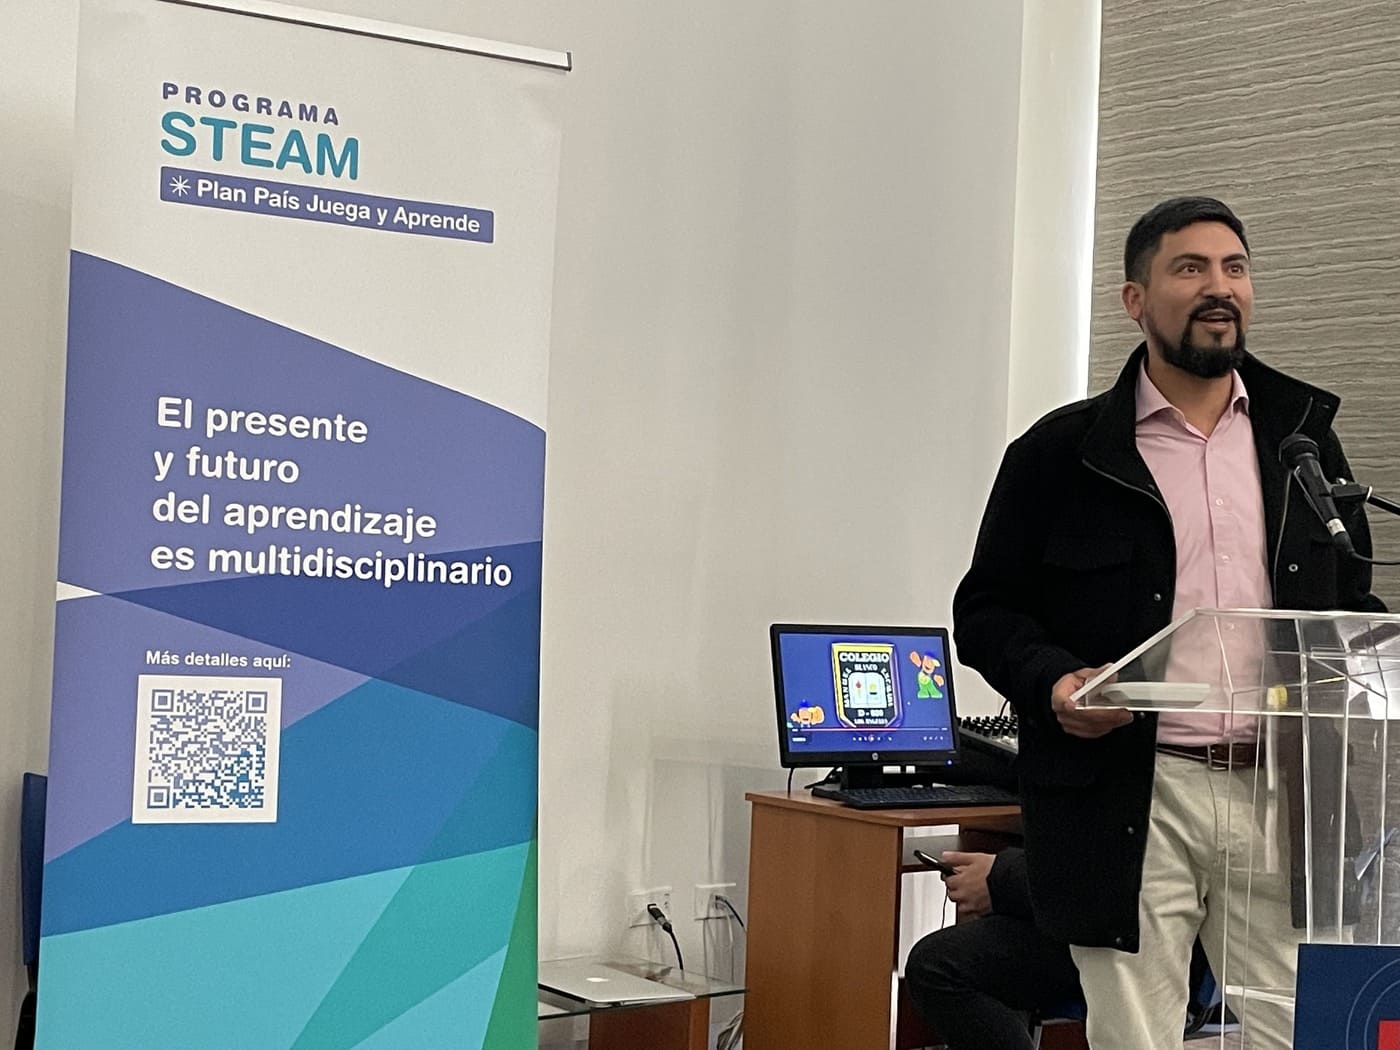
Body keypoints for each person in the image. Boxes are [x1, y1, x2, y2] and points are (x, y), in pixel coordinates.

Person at [951, 196, 1384, 1050]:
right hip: (1132, 791)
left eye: (1235, 268)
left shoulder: (1302, 442)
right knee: (1135, 1035)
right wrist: (1056, 683)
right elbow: (987, 610)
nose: (1219, 287)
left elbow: (1350, 602)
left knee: (1305, 1032)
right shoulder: (1062, 454)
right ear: (1135, 300)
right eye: (1190, 269)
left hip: (1286, 790)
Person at [904, 847, 1081, 1050]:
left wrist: (1000, 877)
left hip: (1097, 937)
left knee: (936, 967)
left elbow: (1094, 875)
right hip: (1067, 919)